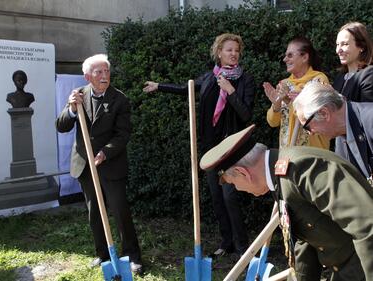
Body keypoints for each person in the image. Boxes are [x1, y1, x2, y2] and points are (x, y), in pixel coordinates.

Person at [200, 124, 373, 281]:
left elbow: (367, 224)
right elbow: (307, 238)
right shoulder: (279, 177)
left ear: (243, 172)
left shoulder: (303, 168)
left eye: (232, 183)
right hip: (348, 267)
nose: (236, 189)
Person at [143, 33, 255, 257]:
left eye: (236, 50)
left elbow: (245, 114)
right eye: (229, 50)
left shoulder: (245, 80)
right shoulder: (210, 77)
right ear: (219, 53)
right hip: (211, 147)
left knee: (230, 197)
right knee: (216, 197)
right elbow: (187, 88)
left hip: (233, 148)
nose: (233, 54)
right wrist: (160, 86)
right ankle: (226, 242)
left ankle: (243, 247)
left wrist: (230, 91)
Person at [55, 54, 143, 274]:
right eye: (99, 72)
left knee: (120, 210)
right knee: (95, 212)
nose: (105, 75)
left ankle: (133, 256)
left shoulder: (119, 99)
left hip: (110, 164)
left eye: (107, 71)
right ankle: (103, 254)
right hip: (85, 164)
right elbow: (61, 126)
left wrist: (105, 153)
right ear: (87, 76)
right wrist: (73, 110)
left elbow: (123, 134)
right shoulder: (79, 96)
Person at [293, 82, 373, 186]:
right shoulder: (340, 137)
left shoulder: (370, 118)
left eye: (307, 127)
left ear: (324, 113)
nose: (310, 133)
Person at [263, 37, 329, 148]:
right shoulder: (284, 83)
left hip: (312, 155)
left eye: (290, 55)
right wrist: (276, 104)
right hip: (288, 155)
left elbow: (323, 117)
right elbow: (272, 122)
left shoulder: (319, 81)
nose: (284, 59)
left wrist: (294, 102)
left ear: (304, 57)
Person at [333, 22, 373, 102]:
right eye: (337, 44)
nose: (338, 50)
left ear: (361, 46)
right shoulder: (339, 77)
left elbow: (367, 110)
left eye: (344, 44)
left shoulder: (369, 75)